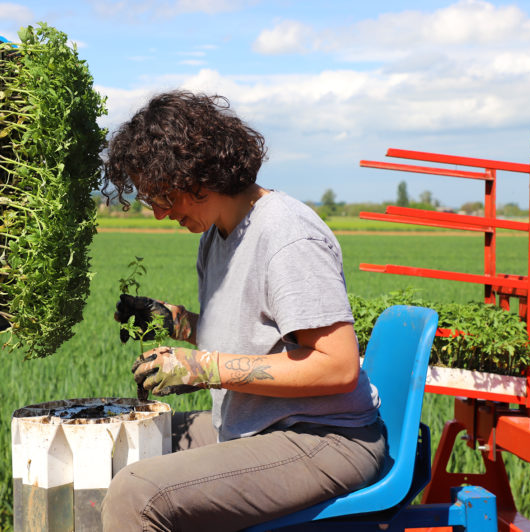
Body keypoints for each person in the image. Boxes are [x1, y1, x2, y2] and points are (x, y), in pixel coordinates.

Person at [100, 90, 387, 532]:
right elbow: (250, 334)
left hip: (325, 437)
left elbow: (338, 366)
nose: (159, 213)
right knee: (124, 441)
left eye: (162, 195)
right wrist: (175, 321)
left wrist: (203, 368)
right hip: (256, 425)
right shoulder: (216, 237)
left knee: (137, 493)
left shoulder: (287, 235)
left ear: (195, 173)